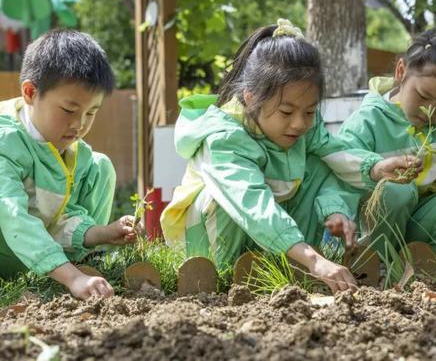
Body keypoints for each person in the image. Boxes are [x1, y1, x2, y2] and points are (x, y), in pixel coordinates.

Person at [160, 19, 415, 293]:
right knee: (224, 200)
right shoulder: (224, 136)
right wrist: (314, 260)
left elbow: (337, 153)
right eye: (286, 112)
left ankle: (286, 269)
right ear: (250, 97)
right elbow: (252, 206)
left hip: (269, 236)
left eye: (309, 111)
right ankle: (227, 279)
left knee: (322, 162)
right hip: (206, 239)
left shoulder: (305, 129)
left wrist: (376, 167)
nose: (298, 124)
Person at [0, 30, 136, 300]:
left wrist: (103, 233)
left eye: (91, 113)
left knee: (101, 165)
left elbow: (62, 216)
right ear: (30, 92)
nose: (79, 125)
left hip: (29, 250)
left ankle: (82, 262)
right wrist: (73, 279)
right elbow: (14, 216)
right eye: (68, 110)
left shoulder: (75, 154)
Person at [337, 28, 436, 259]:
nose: (431, 111)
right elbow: (341, 167)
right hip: (378, 228)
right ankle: (376, 264)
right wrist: (376, 168)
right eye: (422, 96)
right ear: (401, 72)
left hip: (426, 222)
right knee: (397, 188)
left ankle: (423, 265)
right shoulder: (368, 120)